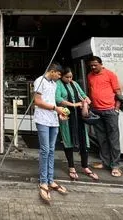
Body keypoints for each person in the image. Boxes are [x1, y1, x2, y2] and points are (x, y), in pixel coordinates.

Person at [33, 62, 69, 204]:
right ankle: (43, 181)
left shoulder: (54, 84)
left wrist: (59, 113)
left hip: (53, 120)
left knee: (52, 150)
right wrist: (56, 108)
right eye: (59, 74)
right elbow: (37, 101)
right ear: (53, 71)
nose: (60, 77)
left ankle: (50, 179)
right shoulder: (39, 81)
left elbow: (52, 100)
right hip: (42, 119)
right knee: (45, 150)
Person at [55, 66, 99, 181]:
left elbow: (83, 95)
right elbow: (58, 99)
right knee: (68, 141)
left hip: (79, 117)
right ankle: (71, 167)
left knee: (83, 140)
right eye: (67, 77)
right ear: (61, 76)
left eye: (71, 76)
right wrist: (73, 104)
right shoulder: (58, 84)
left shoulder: (74, 83)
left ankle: (85, 166)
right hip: (67, 115)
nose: (69, 79)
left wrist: (86, 100)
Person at [87, 56, 123, 177]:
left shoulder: (110, 74)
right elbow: (91, 91)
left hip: (110, 111)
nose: (93, 67)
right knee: (101, 138)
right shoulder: (90, 75)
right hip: (97, 111)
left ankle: (115, 165)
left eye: (95, 65)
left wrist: (116, 109)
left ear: (101, 64)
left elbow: (118, 93)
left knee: (113, 138)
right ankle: (105, 162)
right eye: (91, 65)